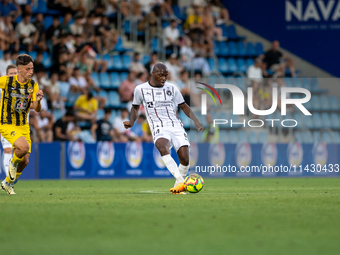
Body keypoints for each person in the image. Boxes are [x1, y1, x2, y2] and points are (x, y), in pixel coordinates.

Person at [124, 63, 204, 194]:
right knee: (162, 146)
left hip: (175, 125)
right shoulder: (140, 89)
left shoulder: (172, 88)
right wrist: (132, 121)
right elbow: (135, 107)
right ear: (153, 73)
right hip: (158, 126)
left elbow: (183, 106)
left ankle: (178, 187)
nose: (164, 78)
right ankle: (182, 183)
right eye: (161, 75)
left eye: (166, 75)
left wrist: (195, 120)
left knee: (184, 158)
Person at [0, 54, 43, 195]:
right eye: (28, 69)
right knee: (23, 148)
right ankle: (12, 165)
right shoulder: (6, 81)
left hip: (23, 125)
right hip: (7, 123)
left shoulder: (33, 85)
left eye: (32, 68)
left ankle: (7, 183)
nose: (31, 71)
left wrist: (38, 100)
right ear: (19, 69)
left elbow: (37, 109)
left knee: (25, 161)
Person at [0, 64, 17, 178]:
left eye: (15, 73)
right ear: (7, 75)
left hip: (10, 124)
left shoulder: (21, 90)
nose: (13, 76)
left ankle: (8, 180)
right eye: (11, 74)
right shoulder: (1, 89)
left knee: (8, 149)